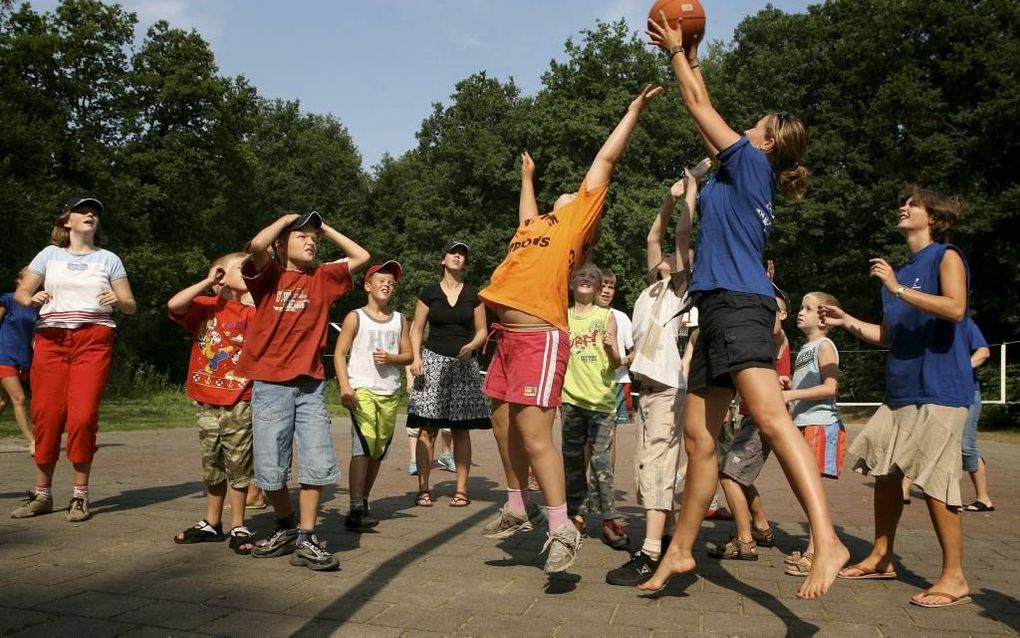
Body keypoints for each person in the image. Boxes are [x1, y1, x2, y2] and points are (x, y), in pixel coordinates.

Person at [643, 15, 848, 599]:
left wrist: (677, 52)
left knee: (771, 418)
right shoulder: (741, 170)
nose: (744, 128)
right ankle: (680, 551)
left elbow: (695, 103)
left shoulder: (752, 163)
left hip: (741, 305)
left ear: (766, 141)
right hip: (716, 310)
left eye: (754, 126)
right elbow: (699, 101)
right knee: (698, 437)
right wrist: (692, 56)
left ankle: (826, 539)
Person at [479, 85, 663, 574]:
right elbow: (525, 214)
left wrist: (632, 112)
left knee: (536, 436)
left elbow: (604, 161)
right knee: (501, 423)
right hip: (506, 339)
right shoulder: (536, 227)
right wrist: (527, 177)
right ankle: (519, 504)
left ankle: (562, 527)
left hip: (539, 337)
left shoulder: (574, 223)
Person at [819, 185, 974, 608]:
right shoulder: (899, 272)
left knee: (937, 482)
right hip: (901, 389)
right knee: (885, 474)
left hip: (941, 388)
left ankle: (954, 577)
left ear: (934, 218)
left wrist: (898, 288)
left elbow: (955, 308)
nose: (903, 208)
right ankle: (882, 556)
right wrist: (847, 320)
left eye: (913, 205)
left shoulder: (946, 256)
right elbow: (890, 336)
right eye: (902, 204)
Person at [237, 210, 369, 572]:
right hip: (270, 385)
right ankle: (284, 525)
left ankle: (307, 537)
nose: (311, 241)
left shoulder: (323, 278)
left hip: (310, 386)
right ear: (282, 244)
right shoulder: (269, 276)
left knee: (317, 461)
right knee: (271, 467)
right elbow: (256, 245)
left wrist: (324, 228)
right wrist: (282, 221)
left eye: (314, 237)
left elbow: (361, 257)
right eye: (302, 236)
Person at [10, 196, 136, 522]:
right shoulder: (49, 255)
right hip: (52, 340)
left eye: (94, 211)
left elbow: (130, 304)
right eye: (82, 210)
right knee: (47, 416)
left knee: (81, 417)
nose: (90, 214)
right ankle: (43, 494)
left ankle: (80, 495)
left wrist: (118, 299)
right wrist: (32, 296)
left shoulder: (109, 259)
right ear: (67, 221)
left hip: (93, 340)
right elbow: (22, 294)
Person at [605, 167, 701, 586]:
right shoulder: (651, 289)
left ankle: (651, 554)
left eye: (674, 257)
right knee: (647, 468)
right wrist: (668, 197)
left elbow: (679, 237)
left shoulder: (682, 288)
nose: (664, 257)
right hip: (647, 391)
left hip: (666, 389)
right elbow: (653, 237)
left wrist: (691, 195)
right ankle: (667, 543)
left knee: (658, 468)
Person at [168, 253, 257, 554]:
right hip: (206, 401)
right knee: (212, 465)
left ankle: (239, 524)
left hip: (239, 400)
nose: (249, 272)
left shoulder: (253, 313)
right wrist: (208, 282)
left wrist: (253, 294)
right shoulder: (205, 307)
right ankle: (211, 522)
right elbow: (174, 305)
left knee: (238, 464)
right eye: (242, 268)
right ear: (219, 274)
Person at [708, 290, 791, 562]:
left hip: (760, 420)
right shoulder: (760, 341)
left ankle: (745, 541)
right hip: (749, 418)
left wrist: (762, 286)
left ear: (782, 315)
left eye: (770, 309)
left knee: (728, 475)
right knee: (740, 475)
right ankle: (762, 527)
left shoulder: (776, 339)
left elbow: (774, 327)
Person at [408, 240, 491, 508]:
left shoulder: (473, 295)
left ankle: (462, 491)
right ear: (443, 259)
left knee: (460, 430)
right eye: (453, 253)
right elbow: (416, 329)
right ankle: (423, 489)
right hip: (432, 362)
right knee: (427, 428)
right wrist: (416, 358)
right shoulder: (429, 292)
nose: (458, 257)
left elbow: (482, 331)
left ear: (464, 263)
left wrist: (472, 346)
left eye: (462, 255)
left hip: (463, 363)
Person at [334, 260, 412, 529]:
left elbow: (409, 354)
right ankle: (356, 507)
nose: (387, 285)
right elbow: (339, 354)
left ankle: (363, 501)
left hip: (389, 392)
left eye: (391, 282)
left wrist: (392, 357)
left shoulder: (400, 320)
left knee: (378, 450)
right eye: (382, 280)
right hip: (361, 390)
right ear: (368, 285)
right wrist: (345, 386)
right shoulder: (355, 317)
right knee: (363, 445)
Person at [779, 292, 846, 576]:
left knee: (812, 490)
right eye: (802, 306)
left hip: (820, 424)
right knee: (804, 489)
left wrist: (792, 393)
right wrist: (791, 381)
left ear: (824, 317)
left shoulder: (824, 345)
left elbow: (830, 388)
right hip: (804, 422)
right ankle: (819, 546)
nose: (801, 312)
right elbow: (813, 384)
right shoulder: (807, 348)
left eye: (808, 308)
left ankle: (817, 550)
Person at [560, 262, 626, 548]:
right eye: (581, 276)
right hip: (570, 400)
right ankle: (575, 514)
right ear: (572, 283)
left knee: (601, 462)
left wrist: (612, 348)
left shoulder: (606, 316)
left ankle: (609, 518)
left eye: (592, 278)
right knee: (573, 460)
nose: (586, 280)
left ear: (599, 288)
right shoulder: (562, 317)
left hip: (601, 401)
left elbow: (616, 362)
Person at [0, 269, 39, 454]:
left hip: (21, 358)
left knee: (2, 401)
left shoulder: (34, 306)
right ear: (19, 281)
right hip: (3, 355)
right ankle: (33, 442)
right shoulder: (8, 299)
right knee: (19, 398)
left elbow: (34, 335)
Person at [596, 269, 635, 431]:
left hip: (618, 383)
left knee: (610, 436)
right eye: (602, 286)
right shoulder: (578, 315)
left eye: (610, 287)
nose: (606, 291)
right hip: (589, 382)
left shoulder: (621, 317)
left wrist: (622, 361)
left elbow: (636, 351)